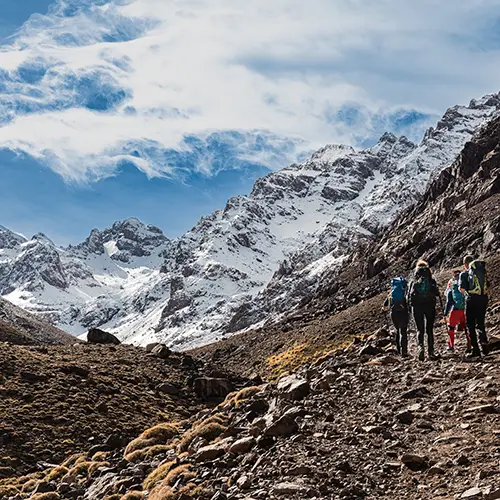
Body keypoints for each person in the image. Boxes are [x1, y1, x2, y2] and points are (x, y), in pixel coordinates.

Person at [408, 260, 442, 361]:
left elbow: (409, 295)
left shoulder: (414, 280)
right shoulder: (431, 280)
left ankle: (421, 349)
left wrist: (410, 307)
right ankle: (431, 352)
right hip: (429, 306)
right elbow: (436, 293)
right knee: (429, 330)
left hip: (417, 307)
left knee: (420, 329)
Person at [459, 255, 489, 358]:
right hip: (483, 298)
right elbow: (487, 285)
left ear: (465, 264)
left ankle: (475, 350)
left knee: (470, 325)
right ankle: (484, 342)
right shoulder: (481, 271)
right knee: (480, 323)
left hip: (471, 300)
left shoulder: (464, 274)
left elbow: (462, 289)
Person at [444, 270, 471, 353]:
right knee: (467, 328)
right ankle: (470, 345)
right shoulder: (466, 283)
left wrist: (445, 313)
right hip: (466, 309)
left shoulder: (452, 285)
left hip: (455, 310)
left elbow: (449, 301)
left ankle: (451, 345)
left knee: (451, 327)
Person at [383, 277, 409, 357]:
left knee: (398, 331)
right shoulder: (405, 293)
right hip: (403, 313)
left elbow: (384, 305)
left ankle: (398, 350)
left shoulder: (391, 294)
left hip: (394, 314)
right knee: (403, 331)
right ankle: (404, 351)